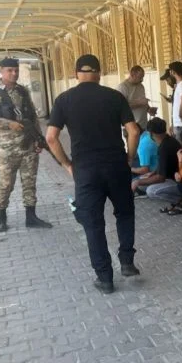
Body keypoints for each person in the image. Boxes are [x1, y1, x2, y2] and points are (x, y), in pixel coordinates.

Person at [46, 54, 141, 294]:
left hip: (86, 170)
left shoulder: (64, 99)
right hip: (116, 165)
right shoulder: (115, 96)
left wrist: (67, 165)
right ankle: (127, 261)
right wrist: (129, 158)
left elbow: (51, 138)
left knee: (93, 223)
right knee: (125, 213)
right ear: (99, 73)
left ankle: (105, 278)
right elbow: (133, 131)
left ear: (76, 74)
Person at [0, 57, 53, 232]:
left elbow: (32, 117)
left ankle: (31, 216)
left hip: (27, 145)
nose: (14, 73)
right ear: (1, 72)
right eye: (10, 70)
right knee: (6, 184)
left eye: (16, 70)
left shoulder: (22, 91)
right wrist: (8, 123)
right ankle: (1, 217)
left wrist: (38, 139)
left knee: (29, 181)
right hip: (6, 148)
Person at [131, 117, 182, 211]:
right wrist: (153, 173)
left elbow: (160, 178)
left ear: (151, 133)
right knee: (142, 182)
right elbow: (163, 165)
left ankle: (181, 201)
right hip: (173, 177)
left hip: (179, 182)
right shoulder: (168, 140)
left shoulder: (164, 147)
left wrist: (137, 182)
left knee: (151, 191)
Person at [116, 66, 151, 130]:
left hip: (143, 124)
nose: (142, 80)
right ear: (132, 74)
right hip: (131, 127)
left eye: (143, 77)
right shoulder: (122, 87)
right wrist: (139, 103)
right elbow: (121, 107)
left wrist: (149, 109)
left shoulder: (141, 86)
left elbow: (143, 101)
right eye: (140, 77)